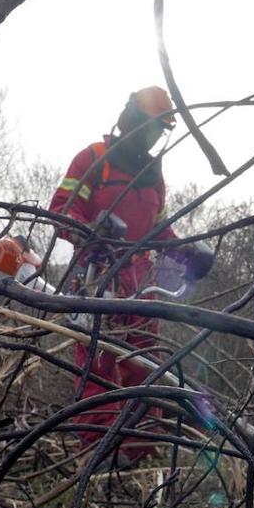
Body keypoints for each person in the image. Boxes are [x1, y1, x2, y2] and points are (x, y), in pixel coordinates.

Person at [49, 85, 209, 465]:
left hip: (141, 287)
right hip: (96, 280)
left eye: (161, 130)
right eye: (152, 127)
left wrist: (186, 251)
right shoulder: (93, 159)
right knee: (97, 367)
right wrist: (93, 233)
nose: (154, 137)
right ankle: (98, 452)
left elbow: (157, 230)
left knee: (144, 366)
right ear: (134, 120)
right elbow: (61, 211)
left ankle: (137, 450)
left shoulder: (153, 175)